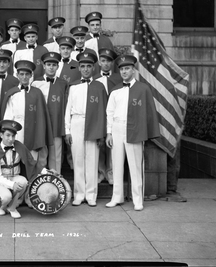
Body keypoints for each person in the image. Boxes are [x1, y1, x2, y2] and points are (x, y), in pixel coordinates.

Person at [105, 55, 160, 211]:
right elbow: (109, 111)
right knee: (116, 164)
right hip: (116, 128)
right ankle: (117, 197)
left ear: (134, 70)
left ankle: (137, 199)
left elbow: (149, 112)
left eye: (127, 68)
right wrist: (109, 133)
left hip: (134, 129)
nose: (124, 71)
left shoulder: (143, 89)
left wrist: (145, 132)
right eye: (122, 69)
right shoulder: (115, 89)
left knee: (135, 165)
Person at [64, 52, 107, 207]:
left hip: (93, 123)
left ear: (93, 67)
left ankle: (91, 194)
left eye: (89, 66)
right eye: (83, 66)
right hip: (76, 122)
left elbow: (103, 110)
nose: (86, 69)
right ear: (79, 68)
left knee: (92, 159)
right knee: (78, 160)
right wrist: (67, 130)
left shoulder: (99, 86)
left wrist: (101, 132)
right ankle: (78, 194)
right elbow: (67, 109)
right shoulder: (73, 86)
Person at [0, 120, 39, 218]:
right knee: (6, 197)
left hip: (14, 177)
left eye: (13, 136)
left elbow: (30, 163)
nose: (11, 139)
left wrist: (43, 171)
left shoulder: (20, 147)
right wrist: (12, 185)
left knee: (23, 182)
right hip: (0, 182)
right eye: (8, 135)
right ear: (1, 135)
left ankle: (12, 207)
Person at [0, 60, 53, 170]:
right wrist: (8, 132)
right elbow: (8, 115)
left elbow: (41, 116)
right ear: (17, 75)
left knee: (32, 159)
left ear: (31, 75)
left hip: (33, 130)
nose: (24, 77)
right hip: (17, 130)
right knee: (16, 158)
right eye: (21, 74)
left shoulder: (37, 93)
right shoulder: (12, 93)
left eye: (27, 74)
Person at [32, 52, 68, 173]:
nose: (51, 67)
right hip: (40, 125)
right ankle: (39, 182)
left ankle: (56, 182)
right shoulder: (36, 83)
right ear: (43, 65)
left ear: (58, 66)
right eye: (48, 64)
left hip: (56, 124)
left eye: (54, 64)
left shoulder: (63, 84)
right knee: (41, 156)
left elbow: (66, 105)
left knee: (56, 157)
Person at [93, 48, 122, 185]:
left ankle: (110, 172)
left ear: (112, 63)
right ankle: (100, 172)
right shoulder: (94, 79)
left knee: (111, 144)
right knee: (99, 144)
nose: (105, 64)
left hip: (113, 116)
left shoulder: (118, 78)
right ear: (99, 62)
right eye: (103, 61)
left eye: (109, 61)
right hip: (98, 115)